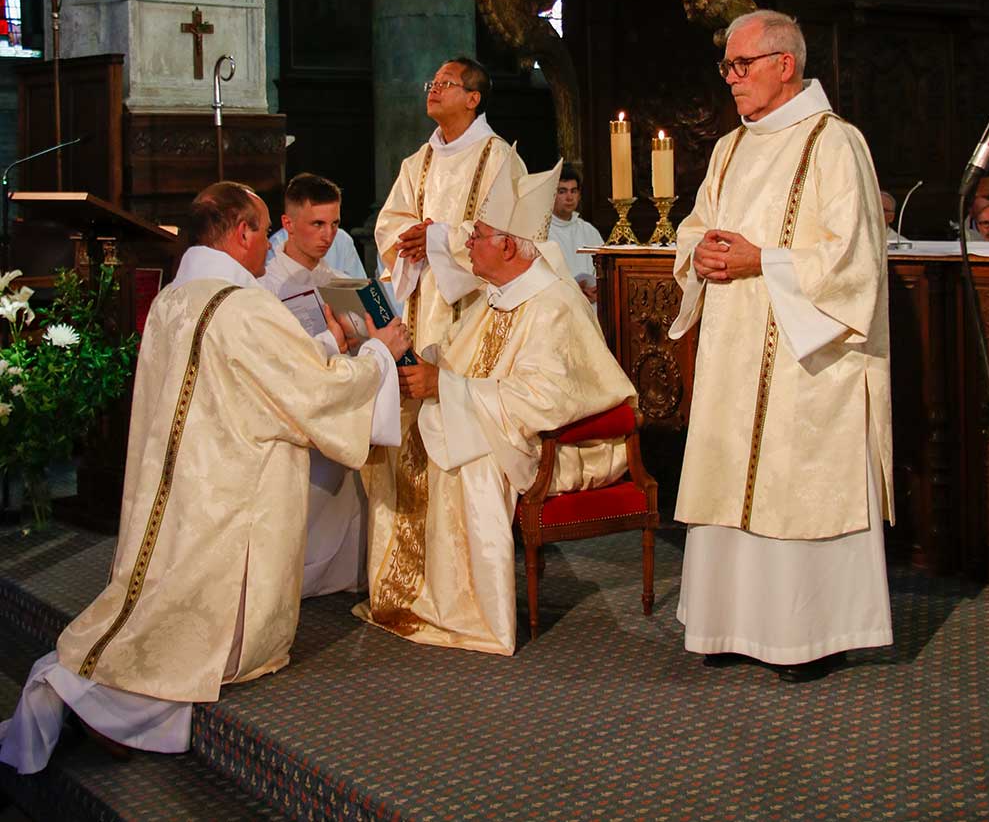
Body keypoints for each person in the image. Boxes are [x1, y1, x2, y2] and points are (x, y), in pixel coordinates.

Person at [0, 182, 410, 774]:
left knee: (161, 599)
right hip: (233, 494)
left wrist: (329, 341)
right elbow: (311, 391)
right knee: (197, 636)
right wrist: (375, 353)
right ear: (241, 230)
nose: (270, 247)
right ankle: (109, 706)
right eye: (263, 230)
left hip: (180, 486)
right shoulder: (242, 307)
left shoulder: (178, 298)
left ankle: (97, 695)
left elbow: (257, 371)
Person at [668, 9, 893, 683]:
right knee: (731, 471)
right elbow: (696, 226)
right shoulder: (729, 148)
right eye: (727, 68)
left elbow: (852, 260)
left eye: (740, 66)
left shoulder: (835, 142)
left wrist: (763, 262)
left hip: (806, 357)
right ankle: (729, 622)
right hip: (734, 348)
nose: (730, 80)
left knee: (797, 483)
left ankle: (811, 634)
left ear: (784, 65)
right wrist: (700, 254)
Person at [357, 156, 636, 655]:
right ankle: (409, 593)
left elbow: (547, 399)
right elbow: (462, 354)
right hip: (498, 421)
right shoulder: (496, 294)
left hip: (560, 445)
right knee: (399, 434)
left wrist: (448, 388)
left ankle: (467, 610)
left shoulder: (551, 302)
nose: (466, 244)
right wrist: (421, 368)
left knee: (472, 464)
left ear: (507, 245)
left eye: (477, 235)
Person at [261, 173, 373, 597]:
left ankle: (346, 572)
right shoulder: (265, 284)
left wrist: (363, 338)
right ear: (288, 225)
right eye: (316, 225)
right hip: (292, 408)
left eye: (334, 224)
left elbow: (363, 342)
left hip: (340, 399)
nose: (328, 236)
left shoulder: (340, 281)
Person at [375, 56, 526, 353]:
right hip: (423, 297)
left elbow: (509, 233)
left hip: (477, 304)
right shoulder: (418, 161)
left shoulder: (499, 159)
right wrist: (413, 237)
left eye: (446, 83)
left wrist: (436, 238)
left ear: (473, 98)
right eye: (432, 83)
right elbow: (388, 223)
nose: (434, 89)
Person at [549, 166, 603, 304]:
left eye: (574, 191)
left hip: (590, 304)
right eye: (562, 191)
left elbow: (603, 271)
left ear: (579, 195)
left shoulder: (588, 230)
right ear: (552, 195)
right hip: (559, 305)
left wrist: (595, 289)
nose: (569, 197)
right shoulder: (542, 233)